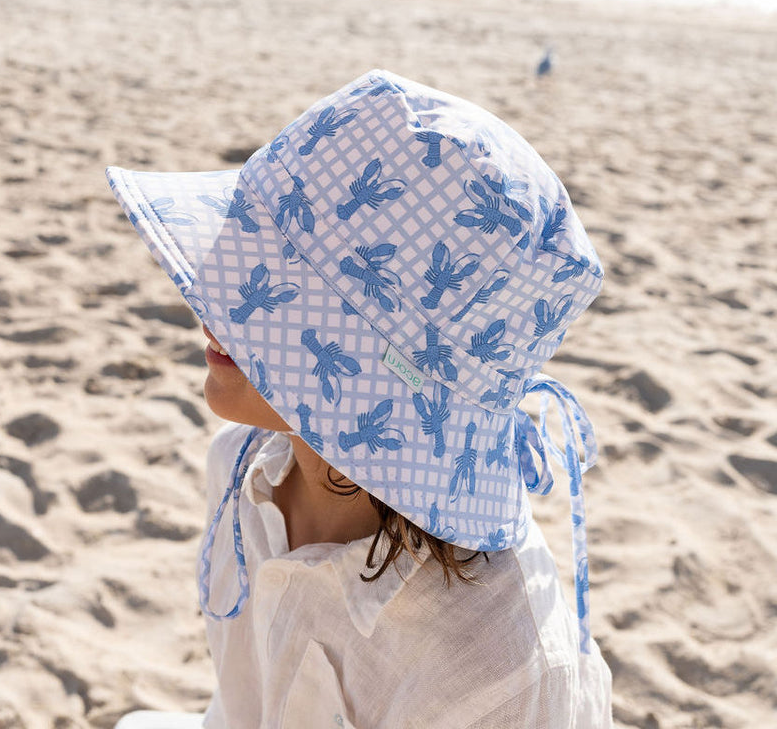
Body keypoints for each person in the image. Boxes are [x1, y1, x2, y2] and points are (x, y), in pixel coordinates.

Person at [108, 70, 613, 728]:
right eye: (238, 265)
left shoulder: (499, 665)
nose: (207, 298)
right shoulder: (242, 468)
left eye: (263, 298)